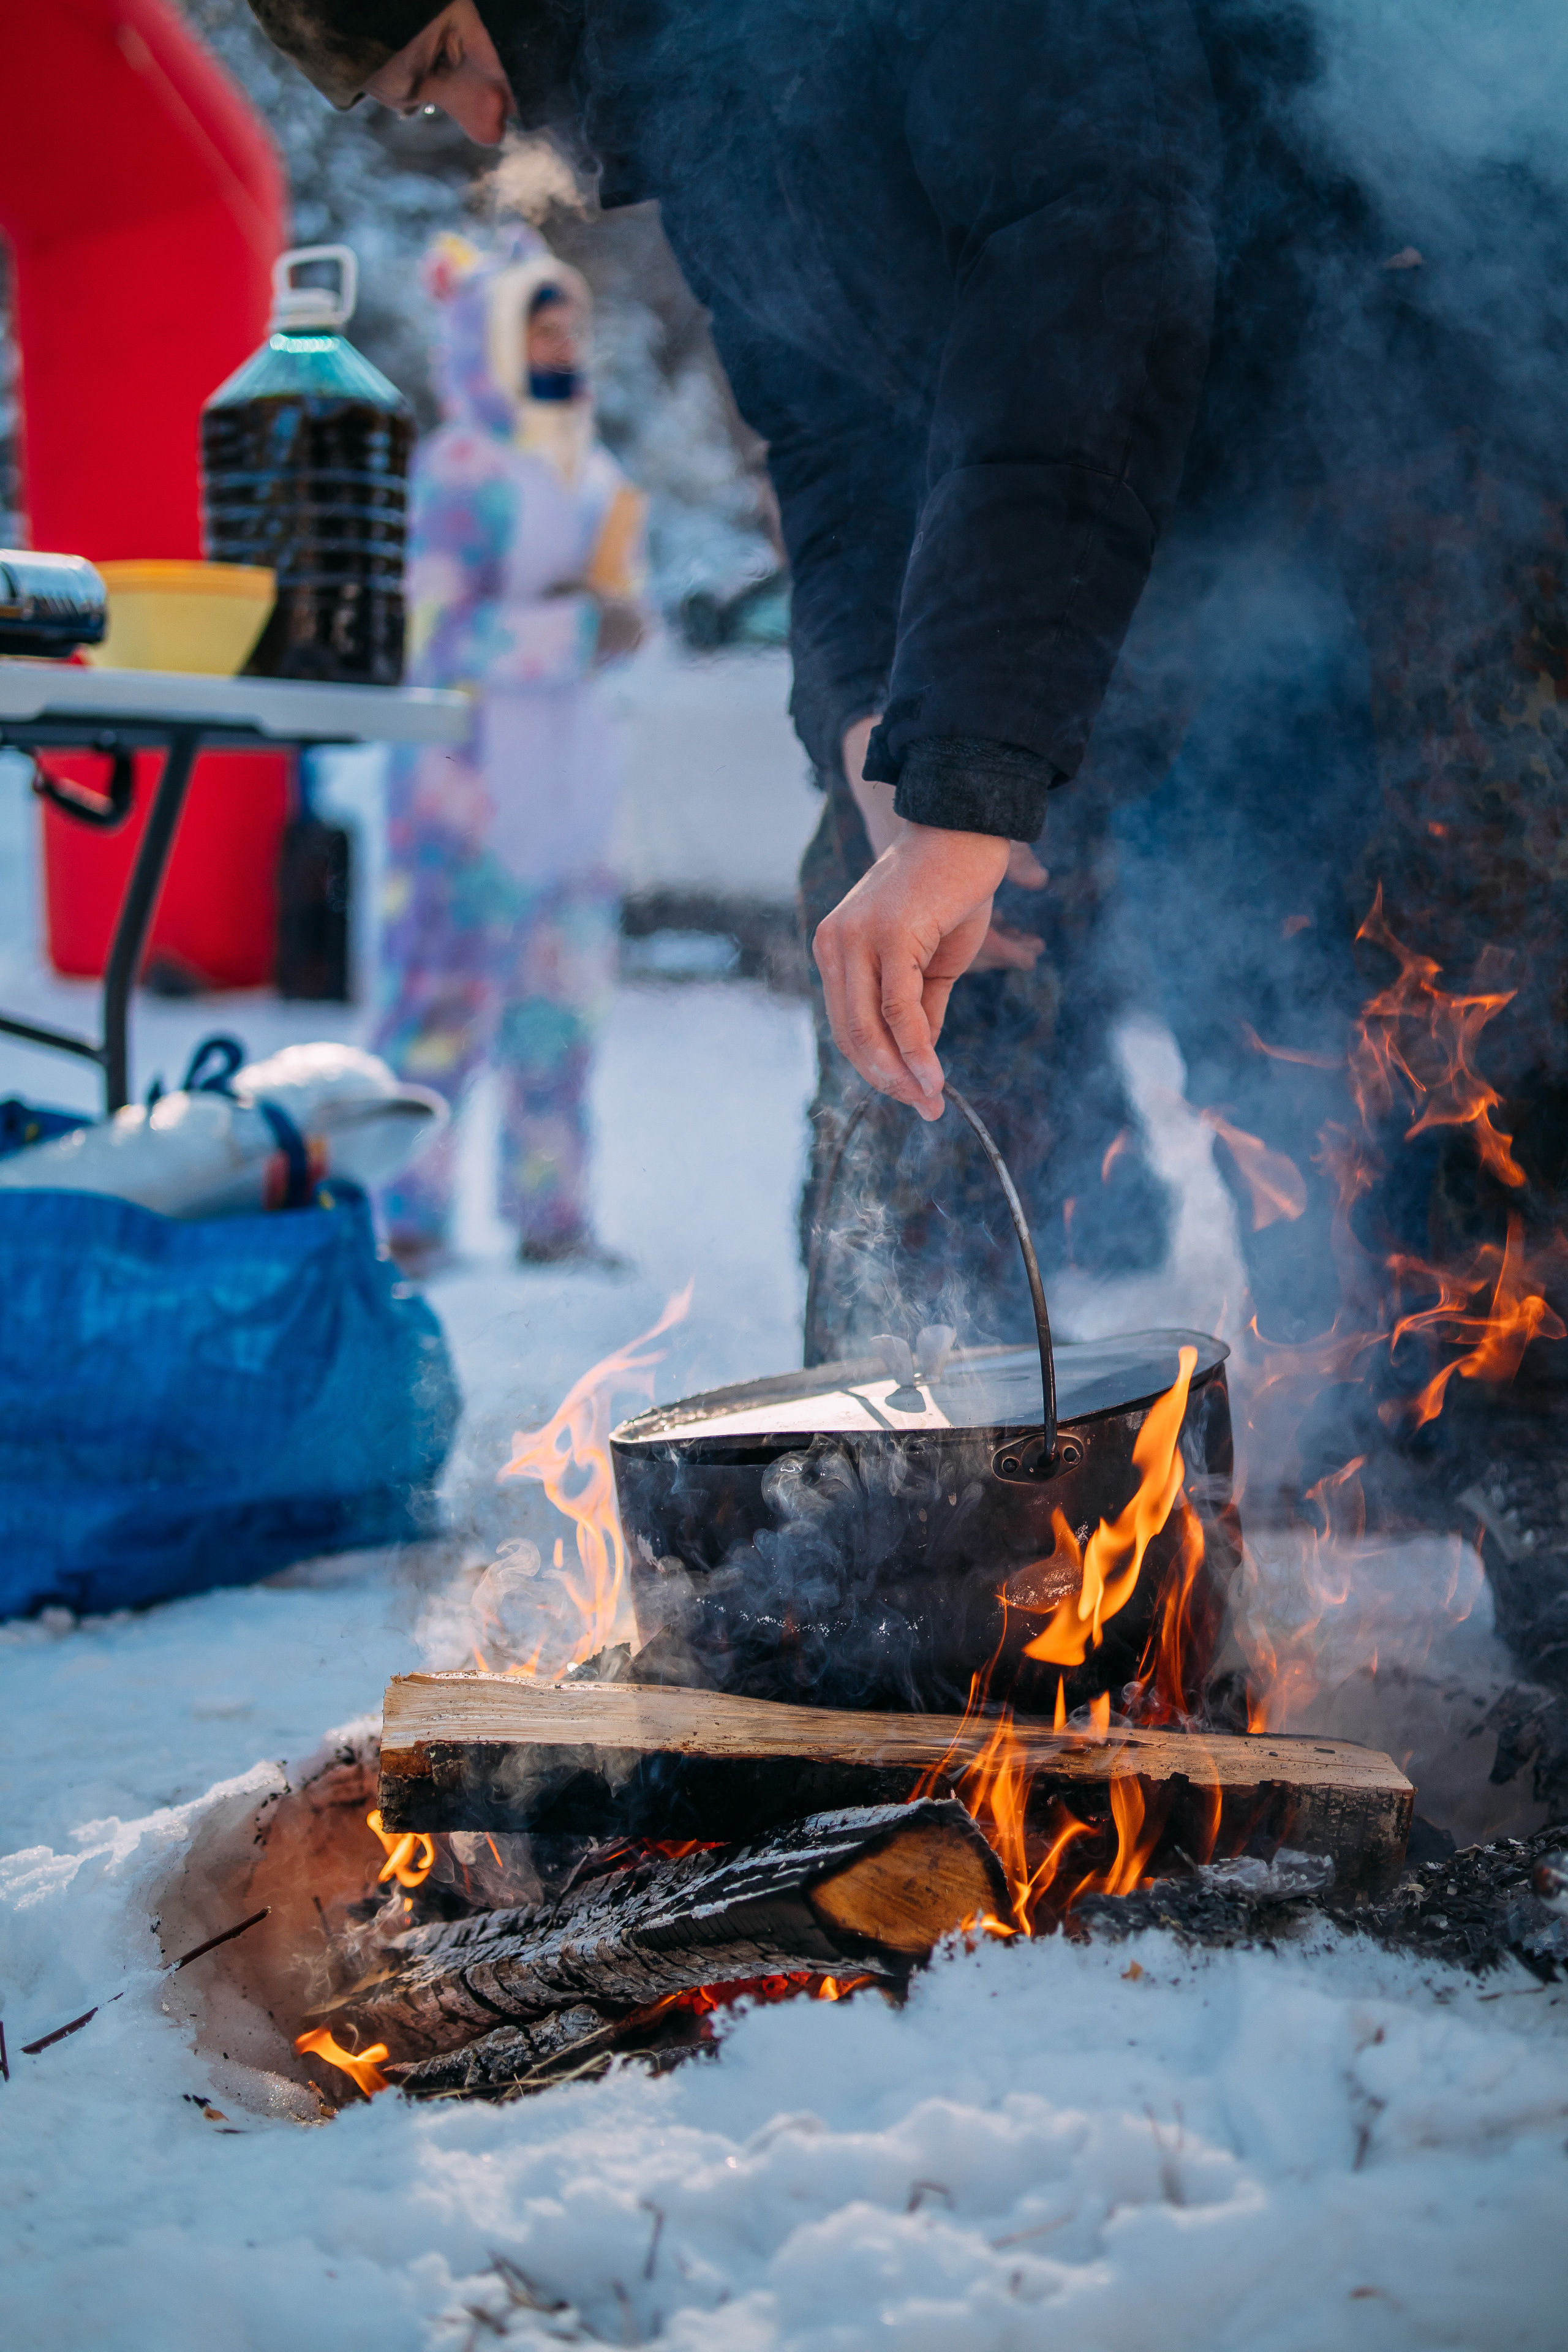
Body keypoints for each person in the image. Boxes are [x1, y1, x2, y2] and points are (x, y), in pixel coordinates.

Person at [249, 2, 1568, 1408]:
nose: (483, 122)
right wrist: (875, 723)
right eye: (426, 101)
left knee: (1399, 1017)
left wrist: (969, 783)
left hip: (1373, 479)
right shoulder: (704, 130)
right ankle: (900, 1472)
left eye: (450, 59)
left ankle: (1458, 1452)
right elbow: (828, 444)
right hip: (1087, 559)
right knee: (899, 966)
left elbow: (1084, 284)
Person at [372, 227, 647, 1268]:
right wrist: (573, 630)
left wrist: (625, 626)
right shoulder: (461, 467)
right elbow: (434, 635)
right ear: (487, 339)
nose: (563, 346)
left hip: (570, 797)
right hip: (464, 800)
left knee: (559, 1021)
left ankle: (551, 1215)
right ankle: (406, 1217)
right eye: (541, 329)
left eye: (573, 327)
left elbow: (624, 618)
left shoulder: (594, 466)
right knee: (436, 1012)